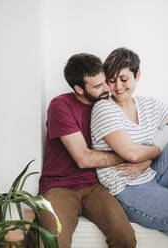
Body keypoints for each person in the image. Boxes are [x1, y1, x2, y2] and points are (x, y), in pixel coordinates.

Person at [91, 47, 168, 248]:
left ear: (137, 75)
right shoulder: (103, 108)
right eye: (112, 80)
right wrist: (154, 151)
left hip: (150, 176)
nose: (117, 87)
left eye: (124, 79)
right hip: (126, 188)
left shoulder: (147, 105)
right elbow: (132, 154)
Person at [38, 53, 149, 248]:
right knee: (53, 242)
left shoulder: (110, 104)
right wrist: (129, 156)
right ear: (79, 89)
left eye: (106, 81)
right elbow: (84, 159)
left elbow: (137, 143)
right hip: (60, 186)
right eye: (98, 86)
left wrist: (145, 157)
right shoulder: (61, 105)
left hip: (95, 186)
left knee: (125, 239)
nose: (108, 88)